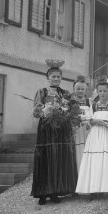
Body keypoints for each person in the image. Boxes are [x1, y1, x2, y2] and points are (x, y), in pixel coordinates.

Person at [31, 62, 78, 205]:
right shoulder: (42, 92)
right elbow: (36, 111)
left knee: (58, 159)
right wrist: (45, 109)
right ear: (48, 77)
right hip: (47, 129)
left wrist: (67, 112)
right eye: (53, 76)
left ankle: (55, 191)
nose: (56, 79)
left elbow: (72, 109)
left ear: (61, 78)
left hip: (62, 130)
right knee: (46, 158)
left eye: (58, 76)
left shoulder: (65, 93)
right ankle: (43, 193)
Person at [75, 77, 108, 198]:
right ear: (97, 92)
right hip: (95, 136)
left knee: (105, 161)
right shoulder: (94, 106)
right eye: (100, 91)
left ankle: (106, 188)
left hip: (106, 136)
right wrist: (94, 121)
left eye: (105, 91)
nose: (102, 93)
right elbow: (88, 120)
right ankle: (94, 189)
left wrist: (107, 124)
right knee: (95, 162)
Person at [71, 75, 92, 168]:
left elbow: (92, 115)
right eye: (78, 89)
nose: (80, 91)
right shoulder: (70, 101)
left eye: (82, 89)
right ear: (74, 89)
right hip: (74, 130)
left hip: (86, 130)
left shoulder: (89, 102)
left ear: (85, 90)